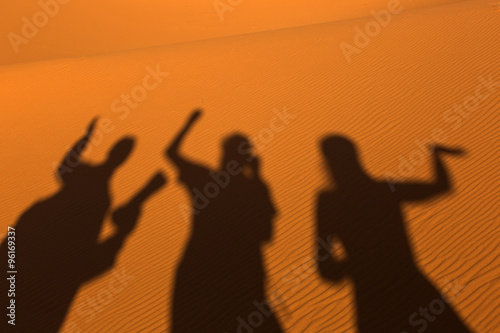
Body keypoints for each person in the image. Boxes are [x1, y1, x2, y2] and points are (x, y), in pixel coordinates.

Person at [1, 118, 166, 332]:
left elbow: (101, 241)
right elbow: (64, 166)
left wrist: (85, 140)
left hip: (45, 259)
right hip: (29, 244)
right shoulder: (95, 188)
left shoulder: (98, 191)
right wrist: (85, 139)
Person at [316, 136, 471, 333]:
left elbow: (325, 266)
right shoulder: (385, 191)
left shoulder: (329, 202)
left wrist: (356, 266)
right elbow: (440, 186)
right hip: (411, 292)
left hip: (374, 301)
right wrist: (436, 155)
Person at [168, 110, 283, 332]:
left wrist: (188, 124)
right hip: (243, 276)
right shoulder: (254, 189)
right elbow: (267, 235)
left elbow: (171, 152)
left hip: (200, 272)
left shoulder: (204, 179)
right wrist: (258, 178)